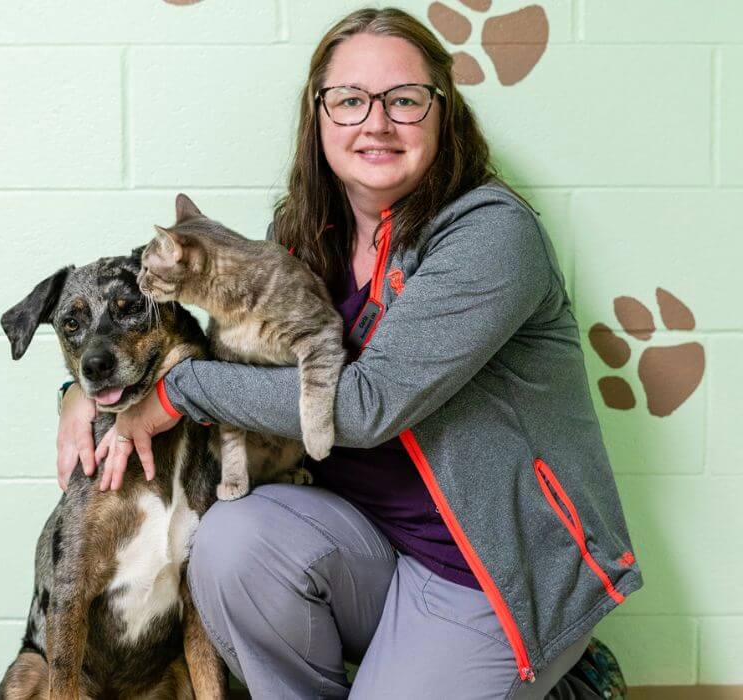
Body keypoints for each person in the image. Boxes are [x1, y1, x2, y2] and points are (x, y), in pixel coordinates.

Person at [58, 8, 641, 699]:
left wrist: (176, 392)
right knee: (230, 540)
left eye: (404, 99)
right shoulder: (303, 235)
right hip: (363, 544)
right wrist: (86, 393)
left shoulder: (492, 237)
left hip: (489, 573)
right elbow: (210, 343)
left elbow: (364, 408)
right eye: (349, 100)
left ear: (443, 113)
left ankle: (568, 682)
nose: (376, 122)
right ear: (319, 118)